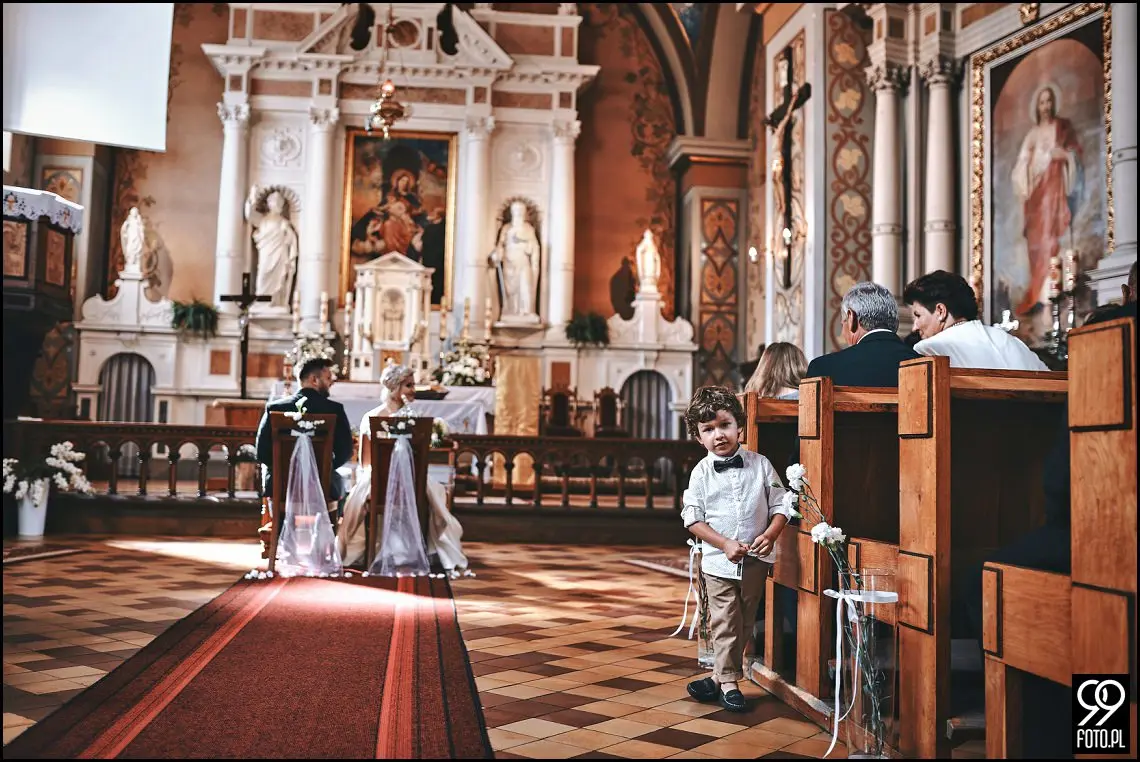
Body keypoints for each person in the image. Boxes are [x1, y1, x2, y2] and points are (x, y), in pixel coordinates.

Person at [681, 387, 794, 713]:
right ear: (699, 437)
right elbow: (692, 519)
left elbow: (781, 504)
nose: (718, 435)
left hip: (757, 558)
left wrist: (771, 535)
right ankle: (730, 682)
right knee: (725, 620)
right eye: (708, 430)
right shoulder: (702, 473)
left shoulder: (761, 465)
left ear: (739, 426)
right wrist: (725, 544)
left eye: (724, 425)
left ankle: (716, 679)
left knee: (744, 619)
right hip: (717, 561)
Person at [338, 360, 472, 577]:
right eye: (408, 385)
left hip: (379, 479)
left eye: (413, 384)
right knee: (435, 491)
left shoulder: (372, 417)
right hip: (409, 480)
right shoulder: (413, 419)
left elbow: (365, 463)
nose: (413, 390)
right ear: (394, 388)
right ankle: (423, 549)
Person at [1011, 84, 1084, 316]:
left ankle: (1048, 290)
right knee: (1037, 240)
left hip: (1054, 190)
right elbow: (1021, 166)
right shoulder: (1032, 134)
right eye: (1042, 102)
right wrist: (1031, 170)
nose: (1046, 106)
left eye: (1049, 101)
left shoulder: (1062, 128)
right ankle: (1039, 290)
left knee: (1051, 237)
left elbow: (1074, 155)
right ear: (1037, 106)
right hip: (1037, 196)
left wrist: (1062, 156)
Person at [255, 357, 354, 511]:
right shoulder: (335, 410)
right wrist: (323, 468)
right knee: (339, 484)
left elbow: (262, 452)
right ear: (314, 379)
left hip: (281, 485)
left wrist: (283, 472)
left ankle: (279, 529)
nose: (331, 382)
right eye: (328, 378)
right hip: (323, 486)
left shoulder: (274, 408)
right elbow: (346, 451)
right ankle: (328, 530)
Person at [904, 270, 1048, 370]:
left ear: (941, 311)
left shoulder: (929, 349)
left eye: (918, 316)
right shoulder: (1011, 341)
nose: (914, 328)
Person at [805, 282, 919, 387]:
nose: (842, 332)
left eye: (843, 322)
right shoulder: (923, 367)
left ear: (851, 318)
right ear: (895, 320)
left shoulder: (823, 369)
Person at [246, 188, 299, 308]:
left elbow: (291, 238)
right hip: (266, 254)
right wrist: (253, 198)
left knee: (278, 279)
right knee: (262, 275)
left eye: (279, 202)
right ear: (269, 204)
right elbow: (249, 215)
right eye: (274, 202)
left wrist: (289, 241)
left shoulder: (283, 222)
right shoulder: (263, 220)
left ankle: (276, 303)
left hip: (280, 254)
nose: (276, 204)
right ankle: (261, 302)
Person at [491, 201, 541, 317]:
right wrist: (497, 255)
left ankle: (527, 311)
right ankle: (511, 311)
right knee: (511, 291)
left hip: (523, 261)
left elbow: (534, 246)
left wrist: (527, 246)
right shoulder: (506, 228)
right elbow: (500, 245)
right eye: (516, 211)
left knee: (526, 285)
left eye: (520, 211)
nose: (518, 213)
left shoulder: (528, 229)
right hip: (509, 263)